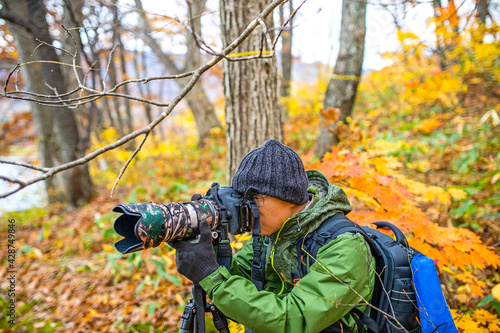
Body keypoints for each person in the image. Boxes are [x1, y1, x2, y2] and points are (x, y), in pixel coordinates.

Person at [170, 139, 375, 333]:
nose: (246, 209)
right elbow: (240, 278)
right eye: (242, 199)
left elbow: (293, 320)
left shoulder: (345, 247)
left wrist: (212, 277)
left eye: (255, 199)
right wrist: (206, 248)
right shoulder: (274, 234)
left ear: (289, 198)